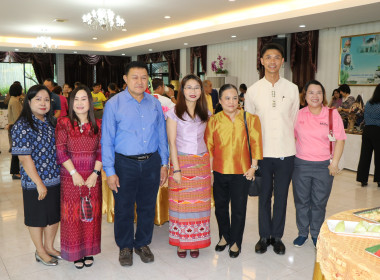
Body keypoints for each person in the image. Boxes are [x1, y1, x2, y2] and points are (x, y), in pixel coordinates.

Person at [102, 61, 169, 267]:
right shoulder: (114, 104)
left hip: (151, 162)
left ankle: (142, 243)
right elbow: (107, 139)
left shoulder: (155, 103)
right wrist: (110, 171)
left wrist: (164, 163)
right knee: (124, 208)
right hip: (124, 163)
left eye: (143, 77)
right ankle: (125, 246)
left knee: (147, 206)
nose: (139, 82)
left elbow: (161, 135)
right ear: (125, 79)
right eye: (134, 77)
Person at [245, 43, 299, 255]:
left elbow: (293, 119)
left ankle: (277, 237)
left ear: (282, 61)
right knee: (264, 196)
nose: (272, 61)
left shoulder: (292, 89)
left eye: (277, 57)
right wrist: (252, 159)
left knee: (282, 196)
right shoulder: (253, 90)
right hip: (262, 154)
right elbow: (250, 125)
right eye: (268, 57)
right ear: (262, 61)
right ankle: (263, 236)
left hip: (286, 151)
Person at [205, 84, 263, 258]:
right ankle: (224, 236)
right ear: (220, 101)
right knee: (220, 208)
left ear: (239, 100)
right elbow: (210, 149)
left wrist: (253, 167)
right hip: (219, 172)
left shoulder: (250, 118)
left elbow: (256, 144)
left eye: (235, 98)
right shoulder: (214, 120)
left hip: (242, 172)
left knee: (239, 209)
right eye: (227, 98)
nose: (231, 102)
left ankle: (236, 241)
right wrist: (210, 173)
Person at [292, 80, 346, 248]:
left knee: (319, 202)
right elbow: (292, 138)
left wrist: (334, 162)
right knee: (301, 201)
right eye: (311, 92)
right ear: (305, 95)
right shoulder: (299, 114)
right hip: (301, 164)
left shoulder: (331, 114)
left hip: (324, 165)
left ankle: (315, 233)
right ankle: (302, 233)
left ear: (323, 95)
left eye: (319, 93)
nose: (315, 96)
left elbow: (340, 139)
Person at [11, 84, 61, 266]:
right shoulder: (23, 125)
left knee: (53, 215)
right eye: (38, 99)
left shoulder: (49, 122)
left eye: (46, 99)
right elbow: (24, 158)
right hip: (35, 183)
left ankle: (49, 246)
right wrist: (39, 183)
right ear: (29, 101)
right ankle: (40, 251)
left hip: (54, 178)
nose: (43, 103)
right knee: (37, 217)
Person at [55, 85, 102, 269]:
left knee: (91, 215)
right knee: (72, 215)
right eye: (76, 99)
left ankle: (88, 250)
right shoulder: (64, 123)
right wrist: (74, 173)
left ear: (90, 102)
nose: (80, 103)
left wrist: (95, 174)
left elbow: (102, 150)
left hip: (92, 176)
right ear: (70, 102)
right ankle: (75, 252)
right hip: (70, 177)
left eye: (84, 99)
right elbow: (60, 151)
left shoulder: (98, 124)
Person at [166, 74, 211, 259]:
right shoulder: (173, 113)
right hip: (181, 162)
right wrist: (176, 169)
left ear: (201, 91)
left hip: (201, 163)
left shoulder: (206, 113)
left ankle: (196, 241)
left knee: (199, 205)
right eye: (189, 87)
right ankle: (182, 243)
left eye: (196, 87)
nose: (193, 91)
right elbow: (171, 142)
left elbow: (209, 140)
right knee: (182, 205)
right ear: (182, 90)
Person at [357, 84, 380, 187]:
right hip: (378, 131)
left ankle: (363, 179)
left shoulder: (368, 103)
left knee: (365, 155)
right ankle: (379, 180)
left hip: (367, 130)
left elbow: (365, 117)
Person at [6, 83, 23, 179]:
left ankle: (16, 171)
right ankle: (15, 172)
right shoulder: (15, 101)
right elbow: (17, 117)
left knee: (16, 150)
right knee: (16, 150)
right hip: (16, 127)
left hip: (14, 126)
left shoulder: (13, 99)